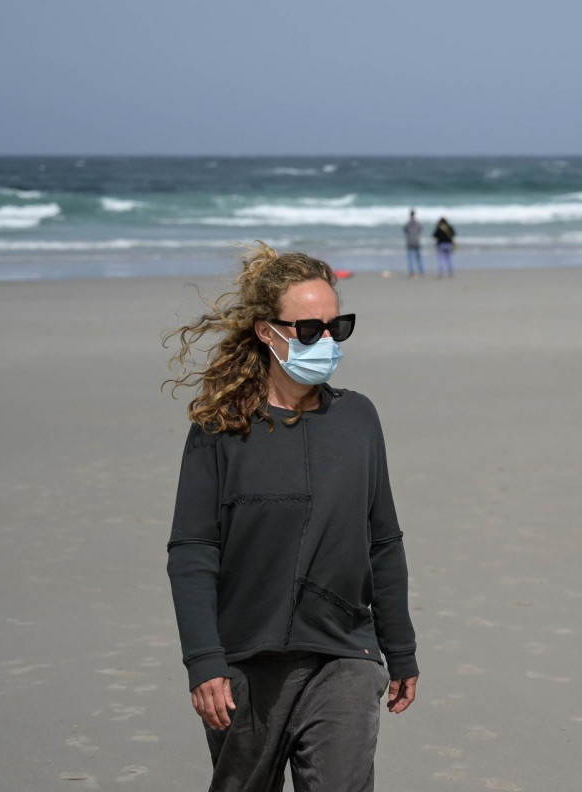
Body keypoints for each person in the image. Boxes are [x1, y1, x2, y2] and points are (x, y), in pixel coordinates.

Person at [164, 242, 418, 792]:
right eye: (308, 329)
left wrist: (400, 650)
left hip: (345, 651)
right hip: (245, 659)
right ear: (267, 331)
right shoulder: (220, 428)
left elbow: (384, 540)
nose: (325, 341)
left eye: (336, 327)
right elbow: (192, 550)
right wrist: (205, 660)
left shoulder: (358, 417)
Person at [403, 209, 424, 278]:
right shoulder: (418, 223)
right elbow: (420, 230)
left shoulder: (407, 224)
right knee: (419, 258)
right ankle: (421, 272)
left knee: (410, 259)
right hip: (416, 242)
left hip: (410, 243)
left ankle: (412, 272)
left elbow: (404, 230)